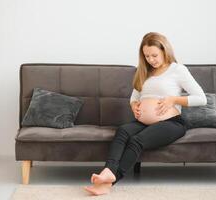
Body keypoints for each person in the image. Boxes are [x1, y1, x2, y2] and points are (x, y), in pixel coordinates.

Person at [84, 32, 207, 196]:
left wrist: (173, 100)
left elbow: (201, 98)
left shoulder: (178, 70)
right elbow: (134, 96)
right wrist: (134, 105)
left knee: (136, 140)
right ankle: (108, 170)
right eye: (147, 56)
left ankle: (111, 181)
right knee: (122, 131)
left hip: (172, 123)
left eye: (154, 55)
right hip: (144, 122)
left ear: (165, 50)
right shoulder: (145, 72)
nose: (151, 60)